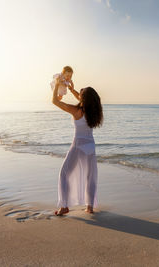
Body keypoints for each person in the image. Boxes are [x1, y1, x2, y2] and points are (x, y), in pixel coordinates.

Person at [52, 77, 103, 216]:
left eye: (81, 92)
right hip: (91, 146)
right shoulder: (93, 111)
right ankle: (90, 207)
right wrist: (72, 90)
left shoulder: (76, 110)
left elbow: (55, 101)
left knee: (64, 174)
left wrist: (56, 86)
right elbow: (84, 100)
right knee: (90, 177)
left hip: (78, 145)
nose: (78, 93)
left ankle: (64, 206)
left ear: (83, 98)